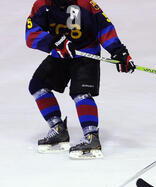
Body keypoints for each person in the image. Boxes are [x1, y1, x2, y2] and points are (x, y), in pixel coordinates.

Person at [26, 0, 135, 159]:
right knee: (37, 85)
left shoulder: (86, 4)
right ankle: (58, 129)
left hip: (86, 54)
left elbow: (104, 28)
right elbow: (30, 34)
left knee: (80, 93)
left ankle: (92, 137)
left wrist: (119, 51)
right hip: (61, 55)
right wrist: (54, 41)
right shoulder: (41, 5)